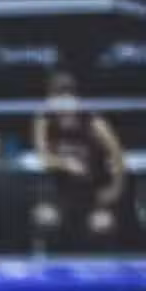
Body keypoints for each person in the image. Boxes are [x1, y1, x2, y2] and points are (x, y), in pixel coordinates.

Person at [33, 72, 126, 251]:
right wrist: (64, 163)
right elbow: (42, 155)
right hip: (59, 190)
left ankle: (102, 263)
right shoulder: (44, 120)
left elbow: (117, 155)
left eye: (66, 99)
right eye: (55, 99)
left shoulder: (94, 122)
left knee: (102, 224)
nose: (62, 108)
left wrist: (116, 188)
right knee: (44, 218)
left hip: (92, 190)